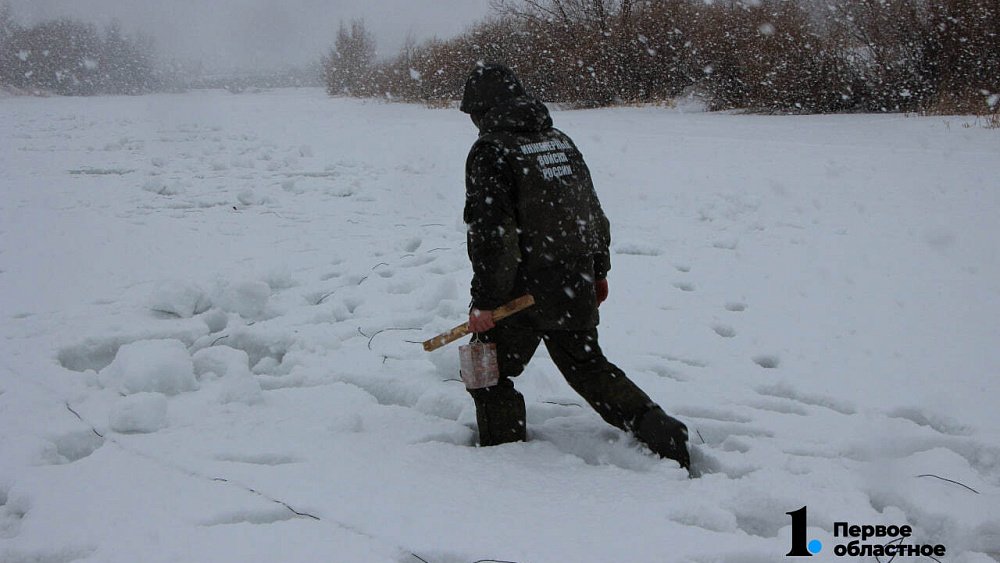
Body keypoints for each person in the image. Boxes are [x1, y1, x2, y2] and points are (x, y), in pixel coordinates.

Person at [459, 62, 691, 471]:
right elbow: (590, 213)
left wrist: (485, 303)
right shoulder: (558, 141)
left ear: (483, 109)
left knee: (485, 367)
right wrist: (598, 269)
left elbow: (494, 238)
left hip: (522, 291)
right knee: (587, 367)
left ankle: (500, 457)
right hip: (573, 280)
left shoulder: (492, 151)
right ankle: (659, 429)